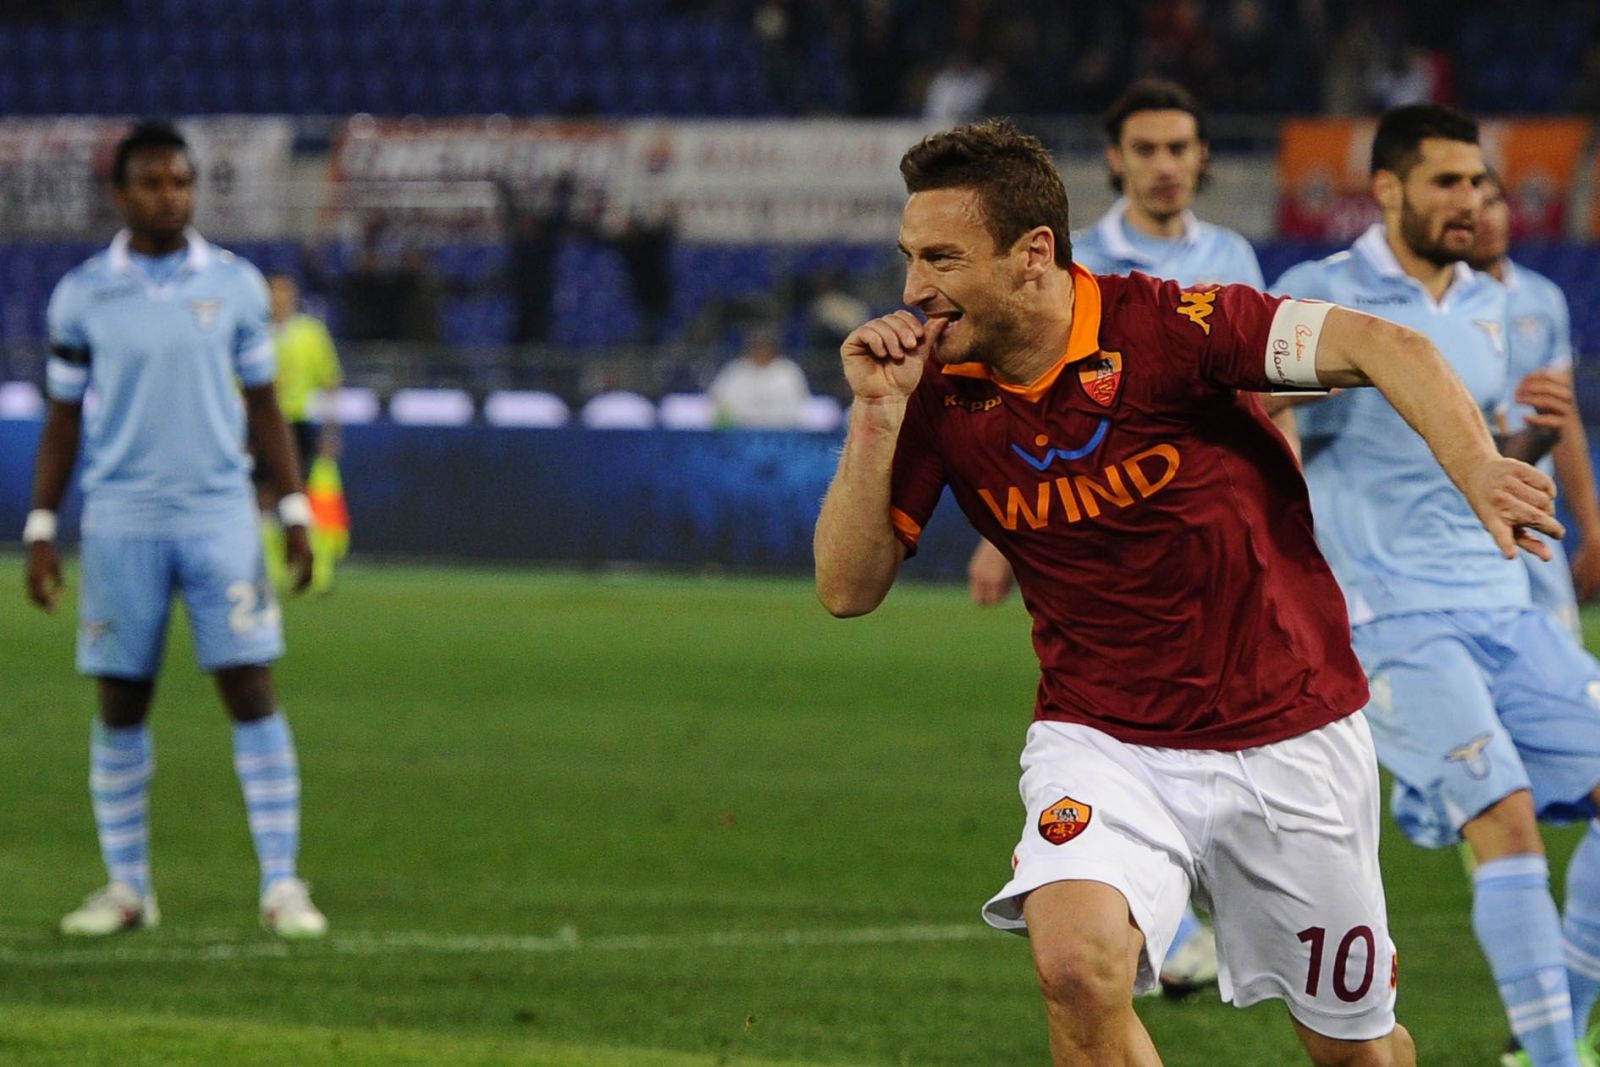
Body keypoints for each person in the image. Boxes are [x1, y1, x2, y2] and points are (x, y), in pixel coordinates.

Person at [815, 117, 1561, 1067]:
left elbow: (1383, 343)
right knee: (1076, 968)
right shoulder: (932, 387)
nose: (914, 287)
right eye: (909, 257)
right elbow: (847, 588)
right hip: (1104, 737)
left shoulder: (1171, 325)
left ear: (1032, 254)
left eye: (942, 258)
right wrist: (877, 413)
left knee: (1354, 1050)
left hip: (1287, 727)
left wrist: (1478, 467)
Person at [1275, 104, 1600, 1067]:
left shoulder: (1496, 305)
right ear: (1388, 189)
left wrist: (1529, 441)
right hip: (1391, 616)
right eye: (1448, 182)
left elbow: (1476, 455)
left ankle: (1554, 1030)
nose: (1471, 200)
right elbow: (1253, 408)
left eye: (1479, 183)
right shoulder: (1320, 291)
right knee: (1504, 819)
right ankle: (1555, 1059)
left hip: (1506, 602)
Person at [966, 78, 1267, 994]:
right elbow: (1027, 406)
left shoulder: (1233, 255)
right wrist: (998, 537)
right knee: (1108, 703)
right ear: (1115, 160)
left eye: (1179, 148)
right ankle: (1154, 915)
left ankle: (1194, 898)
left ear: (1202, 158)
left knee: (1222, 706)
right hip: (1099, 531)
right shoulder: (1077, 260)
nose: (1165, 165)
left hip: (1208, 532)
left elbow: (1256, 398)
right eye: (1147, 149)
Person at [23, 121, 328, 940]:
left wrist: (294, 509)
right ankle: (128, 887)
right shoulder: (82, 294)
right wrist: (42, 525)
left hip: (218, 513)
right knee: (122, 699)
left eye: (183, 182)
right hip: (121, 517)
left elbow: (265, 407)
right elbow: (62, 421)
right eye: (154, 183)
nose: (171, 196)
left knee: (250, 685)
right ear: (121, 194)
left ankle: (282, 883)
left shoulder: (234, 285)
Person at [1468, 174, 1600, 641]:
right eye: (1474, 207)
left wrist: (1592, 528)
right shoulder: (1435, 306)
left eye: (1494, 202)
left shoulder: (1543, 299)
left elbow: (1562, 419)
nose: (1486, 218)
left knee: (1566, 664)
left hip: (1533, 516)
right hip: (1460, 515)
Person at [259, 273, 343, 593]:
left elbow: (330, 381)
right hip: (262, 424)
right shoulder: (257, 333)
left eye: (284, 294)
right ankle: (268, 571)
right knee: (263, 498)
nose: (279, 301)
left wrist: (331, 430)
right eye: (274, 294)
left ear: (293, 298)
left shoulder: (312, 333)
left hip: (298, 422)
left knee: (302, 495)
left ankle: (313, 568)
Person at [707, 327, 812, 429]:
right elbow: (716, 399)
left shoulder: (789, 371)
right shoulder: (735, 370)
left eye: (766, 347)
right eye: (757, 347)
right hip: (740, 431)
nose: (761, 351)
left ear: (774, 349)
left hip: (780, 432)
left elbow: (800, 404)